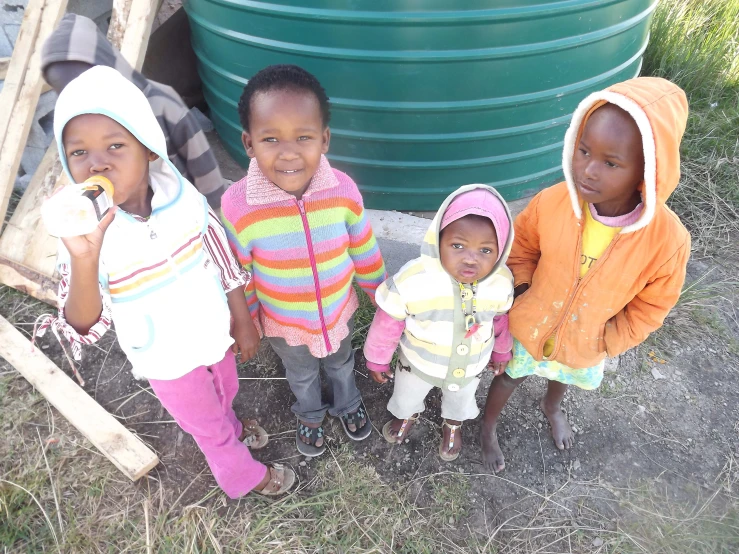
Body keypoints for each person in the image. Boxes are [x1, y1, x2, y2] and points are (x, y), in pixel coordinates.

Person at [38, 66, 295, 497]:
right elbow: (84, 326)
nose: (97, 162)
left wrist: (242, 317)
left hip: (213, 333)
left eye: (116, 146)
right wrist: (85, 260)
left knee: (224, 391)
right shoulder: (81, 235)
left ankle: (230, 425)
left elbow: (216, 249)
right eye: (78, 153)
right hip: (165, 357)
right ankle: (244, 476)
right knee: (207, 430)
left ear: (149, 150)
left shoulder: (179, 193)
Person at [480, 77, 691, 473]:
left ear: (647, 171)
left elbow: (653, 305)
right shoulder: (555, 201)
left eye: (611, 163)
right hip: (531, 323)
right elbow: (522, 246)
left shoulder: (667, 241)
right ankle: (488, 426)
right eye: (583, 151)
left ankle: (552, 405)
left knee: (565, 377)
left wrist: (609, 339)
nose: (588, 171)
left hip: (587, 339)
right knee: (509, 376)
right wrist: (522, 290)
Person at [220, 65, 387, 457]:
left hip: (337, 312)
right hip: (283, 321)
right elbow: (237, 272)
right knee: (300, 372)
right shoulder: (238, 206)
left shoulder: (343, 190)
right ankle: (310, 413)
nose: (289, 152)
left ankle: (347, 402)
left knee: (341, 362)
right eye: (271, 138)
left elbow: (363, 246)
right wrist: (246, 320)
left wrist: (381, 296)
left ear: (324, 139)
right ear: (249, 143)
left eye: (304, 137)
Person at [363, 185, 515, 461]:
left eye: (485, 250)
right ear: (438, 240)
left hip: (471, 364)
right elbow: (388, 321)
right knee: (407, 394)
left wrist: (502, 350)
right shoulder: (414, 280)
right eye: (457, 245)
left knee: (461, 399)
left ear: (501, 250)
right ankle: (407, 415)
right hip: (419, 362)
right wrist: (377, 358)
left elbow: (500, 319)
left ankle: (453, 425)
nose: (470, 257)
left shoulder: (501, 282)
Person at [40, 14, 226, 209]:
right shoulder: (77, 128)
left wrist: (215, 206)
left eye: (115, 145)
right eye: (66, 90)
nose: (81, 93)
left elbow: (199, 159)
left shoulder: (160, 102)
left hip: (180, 205)